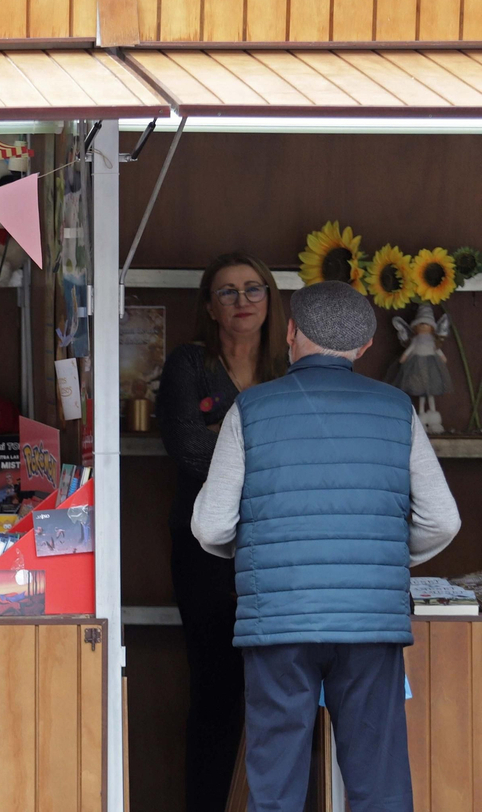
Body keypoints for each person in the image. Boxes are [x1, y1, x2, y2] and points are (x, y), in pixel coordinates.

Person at [193, 280, 461, 812]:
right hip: (370, 622)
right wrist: (380, 555)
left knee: (275, 787)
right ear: (365, 346)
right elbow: (443, 520)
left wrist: (259, 553)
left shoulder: (251, 409)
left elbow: (211, 526)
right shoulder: (396, 409)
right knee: (379, 785)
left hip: (278, 620)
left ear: (290, 332)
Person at [155, 251, 288, 812]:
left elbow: (303, 450)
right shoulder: (189, 364)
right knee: (214, 691)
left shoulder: (290, 366)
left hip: (280, 548)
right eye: (227, 291)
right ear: (209, 306)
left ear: (270, 300)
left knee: (281, 692)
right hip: (203, 550)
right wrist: (267, 452)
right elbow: (187, 447)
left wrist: (225, 440)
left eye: (253, 289)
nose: (242, 301)